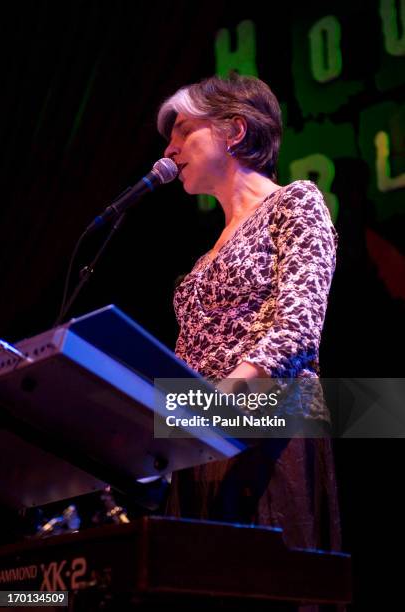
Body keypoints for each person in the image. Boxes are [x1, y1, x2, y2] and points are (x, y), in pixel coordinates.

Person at [157, 73, 341, 555]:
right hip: (200, 446)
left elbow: (297, 329)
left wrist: (218, 404)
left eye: (183, 131)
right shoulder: (203, 260)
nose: (169, 150)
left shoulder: (295, 203)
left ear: (235, 131)